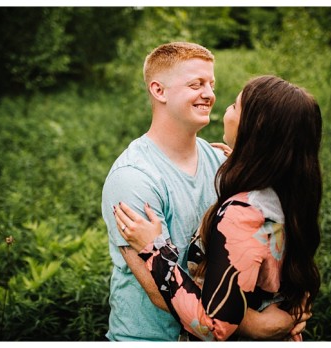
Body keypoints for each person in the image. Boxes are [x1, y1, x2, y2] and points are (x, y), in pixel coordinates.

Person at [99, 42, 304, 341]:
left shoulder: (222, 162)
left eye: (211, 84)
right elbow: (159, 293)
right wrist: (260, 325)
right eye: (196, 84)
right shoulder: (133, 179)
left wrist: (294, 304)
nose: (209, 94)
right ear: (159, 91)